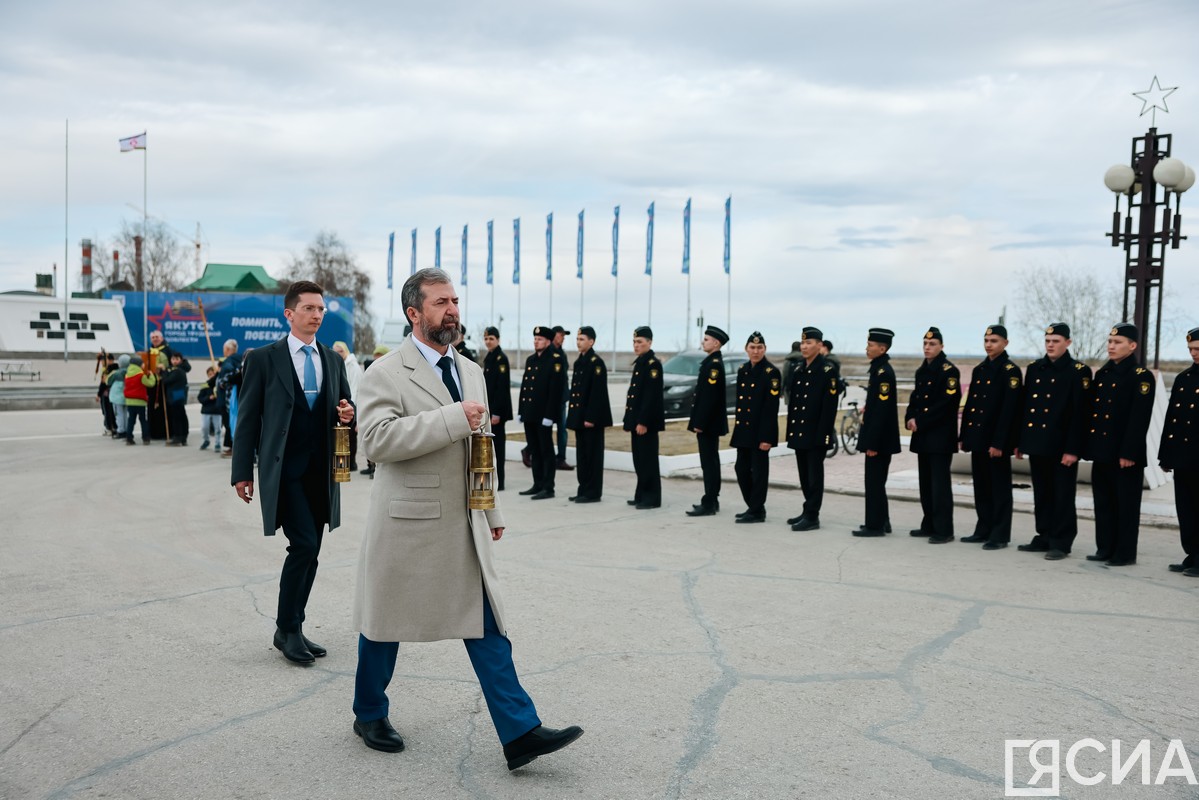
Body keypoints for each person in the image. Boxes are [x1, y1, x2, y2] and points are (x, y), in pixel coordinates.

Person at [351, 268, 583, 769]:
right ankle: (368, 711)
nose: (452, 309)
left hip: (464, 523)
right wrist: (454, 418)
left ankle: (520, 732)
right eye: (440, 302)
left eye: (454, 300)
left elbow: (483, 447)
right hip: (409, 522)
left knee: (485, 624)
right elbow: (376, 441)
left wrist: (490, 505)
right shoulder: (385, 372)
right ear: (414, 314)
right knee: (385, 622)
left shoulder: (471, 369)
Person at [231, 280, 355, 665]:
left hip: (322, 473)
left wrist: (349, 416)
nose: (317, 315)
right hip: (285, 472)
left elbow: (344, 411)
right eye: (309, 309)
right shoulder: (264, 359)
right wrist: (241, 472)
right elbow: (248, 417)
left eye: (321, 309)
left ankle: (293, 627)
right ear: (289, 314)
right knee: (302, 545)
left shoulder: (333, 361)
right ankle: (286, 630)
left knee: (312, 551)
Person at [1014, 322, 1092, 560]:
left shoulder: (1078, 371)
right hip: (1038, 443)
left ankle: (1061, 541)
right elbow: (1025, 408)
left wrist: (1073, 449)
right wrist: (1020, 441)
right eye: (1047, 341)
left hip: (1062, 446)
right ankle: (1044, 535)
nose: (1050, 345)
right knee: (1042, 493)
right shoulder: (1036, 368)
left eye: (1055, 341)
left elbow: (1080, 413)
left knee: (1062, 495)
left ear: (1067, 343)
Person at [1083, 323, 1155, 567]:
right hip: (1102, 451)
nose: (1111, 347)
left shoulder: (1140, 377)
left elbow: (1139, 418)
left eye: (1117, 343)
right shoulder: (1103, 375)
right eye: (1110, 342)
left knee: (1125, 505)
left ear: (1132, 346)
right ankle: (1105, 547)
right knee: (1103, 502)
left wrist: (1129, 452)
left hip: (1125, 455)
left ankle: (1124, 553)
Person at [958, 324, 1023, 550]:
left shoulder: (1010, 371)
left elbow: (1009, 411)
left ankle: (1000, 534)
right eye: (986, 341)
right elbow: (971, 405)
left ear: (1005, 343)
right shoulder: (980, 369)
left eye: (994, 341)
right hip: (978, 438)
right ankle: (983, 528)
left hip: (996, 442)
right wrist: (964, 435)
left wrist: (1000, 443)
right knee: (982, 487)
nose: (989, 345)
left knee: (999, 489)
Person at [905, 327, 961, 544]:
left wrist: (921, 420)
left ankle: (944, 530)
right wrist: (910, 416)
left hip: (939, 437)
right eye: (925, 344)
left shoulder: (948, 371)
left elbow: (947, 404)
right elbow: (915, 398)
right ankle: (928, 524)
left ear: (941, 346)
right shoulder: (922, 371)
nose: (927, 348)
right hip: (923, 436)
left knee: (939, 486)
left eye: (932, 344)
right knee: (926, 484)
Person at [785, 326, 839, 531]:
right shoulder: (799, 369)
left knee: (815, 476)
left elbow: (829, 409)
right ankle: (807, 509)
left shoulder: (827, 371)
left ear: (819, 346)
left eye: (809, 343)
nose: (804, 346)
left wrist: (824, 436)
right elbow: (794, 404)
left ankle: (813, 516)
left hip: (816, 433)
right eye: (803, 342)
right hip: (800, 431)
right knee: (804, 475)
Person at [853, 328, 900, 537]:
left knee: (874, 483)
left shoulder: (883, 373)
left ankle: (875, 526)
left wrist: (872, 443)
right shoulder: (878, 369)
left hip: (879, 441)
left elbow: (881, 412)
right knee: (876, 482)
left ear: (882, 348)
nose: (867, 348)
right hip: (880, 439)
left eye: (870, 345)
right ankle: (883, 521)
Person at [1160, 327, 1199, 577]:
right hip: (1183, 456)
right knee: (1186, 509)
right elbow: (1171, 419)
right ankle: (1192, 553)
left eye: (1198, 349)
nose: (1194, 354)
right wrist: (1166, 454)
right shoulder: (1183, 378)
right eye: (1191, 350)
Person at [731, 331, 780, 523]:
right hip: (744, 430)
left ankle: (756, 509)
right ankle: (754, 506)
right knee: (740, 468)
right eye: (752, 347)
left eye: (760, 348)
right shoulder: (743, 369)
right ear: (746, 349)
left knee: (759, 473)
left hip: (760, 433)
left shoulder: (771, 372)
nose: (756, 351)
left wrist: (767, 437)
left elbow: (770, 408)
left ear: (765, 349)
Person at [686, 325, 730, 517]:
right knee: (710, 461)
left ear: (716, 343)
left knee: (709, 462)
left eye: (706, 339)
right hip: (709, 423)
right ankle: (712, 499)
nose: (702, 342)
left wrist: (700, 422)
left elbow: (709, 397)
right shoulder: (711, 362)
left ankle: (710, 502)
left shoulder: (713, 365)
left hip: (708, 424)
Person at [518, 326, 566, 499]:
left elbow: (555, 391)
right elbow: (526, 387)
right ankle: (537, 484)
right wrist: (521, 410)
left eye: (539, 339)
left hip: (543, 415)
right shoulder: (531, 360)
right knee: (535, 451)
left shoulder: (555, 359)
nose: (536, 341)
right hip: (530, 414)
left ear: (547, 341)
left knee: (546, 452)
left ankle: (548, 487)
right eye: (535, 339)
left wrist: (550, 415)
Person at [566, 326, 612, 503]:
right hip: (580, 418)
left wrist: (591, 418)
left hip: (591, 419)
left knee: (593, 456)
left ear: (591, 342)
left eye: (582, 339)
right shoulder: (580, 362)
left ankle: (593, 492)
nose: (578, 342)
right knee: (582, 456)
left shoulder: (596, 363)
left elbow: (597, 394)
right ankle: (583, 488)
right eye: (577, 339)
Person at [624, 326, 665, 509]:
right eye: (634, 342)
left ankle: (652, 498)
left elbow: (650, 396)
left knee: (648, 461)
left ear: (649, 343)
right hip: (636, 421)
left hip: (645, 423)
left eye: (640, 342)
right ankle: (641, 494)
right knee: (639, 460)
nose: (636, 345)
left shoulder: (652, 364)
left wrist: (643, 421)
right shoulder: (640, 363)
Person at [482, 326, 514, 491]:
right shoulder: (490, 357)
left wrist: (497, 413)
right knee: (490, 448)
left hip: (497, 412)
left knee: (499, 448)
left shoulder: (500, 358)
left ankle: (500, 481)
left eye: (491, 339)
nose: (488, 342)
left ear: (498, 340)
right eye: (486, 339)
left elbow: (501, 389)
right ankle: (492, 478)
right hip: (490, 410)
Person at [332, 340, 364, 471]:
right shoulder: (340, 363)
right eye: (336, 351)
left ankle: (350, 463)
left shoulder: (353, 366)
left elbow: (356, 388)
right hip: (342, 404)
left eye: (340, 351)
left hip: (351, 404)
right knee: (342, 436)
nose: (338, 354)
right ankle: (342, 463)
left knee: (349, 437)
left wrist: (353, 407)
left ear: (345, 351)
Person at [551, 325, 574, 471]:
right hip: (551, 398)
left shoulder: (562, 353)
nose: (563, 337)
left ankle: (561, 458)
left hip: (561, 398)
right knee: (544, 428)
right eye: (561, 335)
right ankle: (530, 450)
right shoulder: (549, 352)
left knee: (562, 429)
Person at [122, 354, 156, 446]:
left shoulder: (127, 375)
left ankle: (129, 438)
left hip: (129, 401)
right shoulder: (141, 375)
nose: (143, 365)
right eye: (142, 364)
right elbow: (150, 384)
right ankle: (145, 438)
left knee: (131, 420)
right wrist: (152, 376)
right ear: (139, 365)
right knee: (143, 420)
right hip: (140, 401)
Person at [217, 340, 242, 456]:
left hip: (229, 397)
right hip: (240, 396)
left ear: (227, 350)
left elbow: (225, 380)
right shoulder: (241, 359)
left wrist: (221, 382)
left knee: (229, 422)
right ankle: (232, 445)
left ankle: (233, 447)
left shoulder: (228, 362)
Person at [161, 352, 191, 446]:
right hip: (176, 395)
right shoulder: (174, 369)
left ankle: (178, 437)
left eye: (176, 359)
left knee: (177, 417)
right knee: (181, 415)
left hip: (177, 396)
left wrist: (164, 372)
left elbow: (166, 380)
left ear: (180, 360)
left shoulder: (178, 371)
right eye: (173, 359)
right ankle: (182, 437)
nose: (174, 361)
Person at [198, 365, 223, 452]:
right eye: (210, 374)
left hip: (217, 410)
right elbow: (200, 398)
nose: (211, 376)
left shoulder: (220, 384)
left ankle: (217, 443)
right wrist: (209, 398)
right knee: (205, 427)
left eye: (213, 374)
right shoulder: (205, 385)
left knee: (218, 428)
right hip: (206, 410)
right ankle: (206, 440)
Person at [107, 354, 130, 440]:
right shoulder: (130, 372)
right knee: (126, 414)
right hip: (127, 396)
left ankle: (121, 431)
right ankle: (127, 430)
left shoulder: (116, 373)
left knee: (118, 414)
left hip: (117, 397)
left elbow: (108, 381)